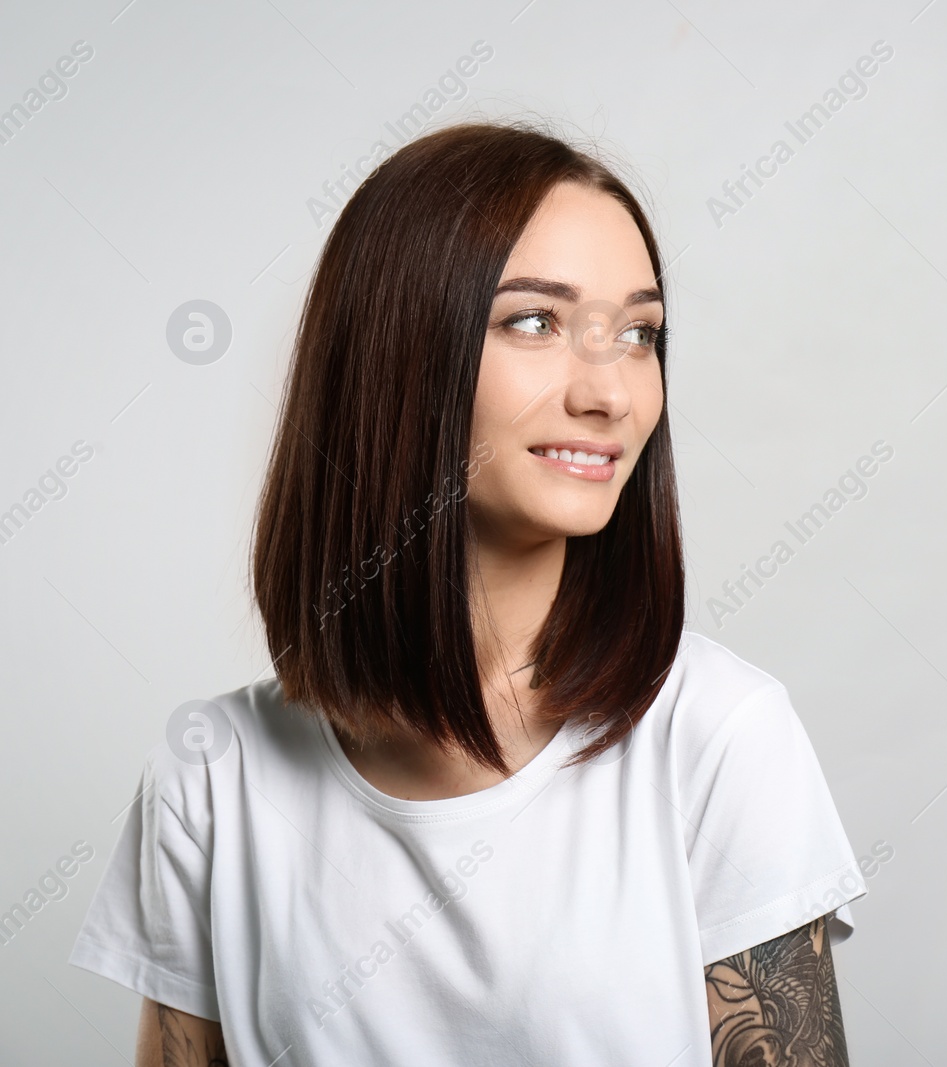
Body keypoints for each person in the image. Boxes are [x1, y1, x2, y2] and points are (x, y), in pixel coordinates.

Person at [69, 119, 866, 1065]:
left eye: (640, 332)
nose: (611, 392)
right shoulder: (211, 777)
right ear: (397, 354)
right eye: (535, 320)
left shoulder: (721, 739)